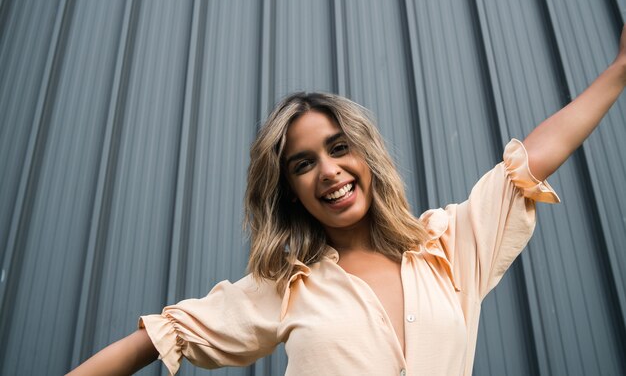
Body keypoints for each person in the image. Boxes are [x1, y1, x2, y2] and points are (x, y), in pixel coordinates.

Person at [67, 25, 626, 376]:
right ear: (290, 189)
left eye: (339, 148)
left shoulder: (449, 248)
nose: (328, 172)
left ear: (366, 155)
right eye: (303, 164)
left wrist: (621, 70)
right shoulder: (286, 287)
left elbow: (530, 160)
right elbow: (159, 338)